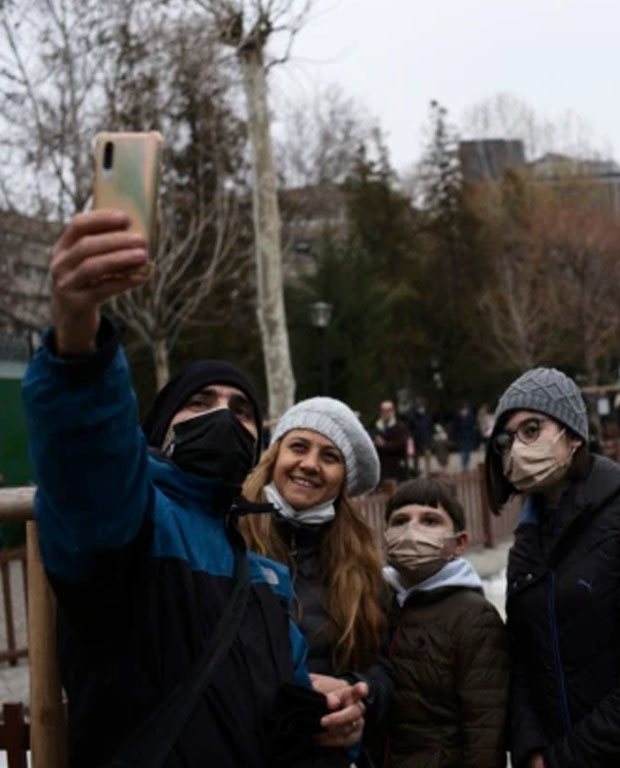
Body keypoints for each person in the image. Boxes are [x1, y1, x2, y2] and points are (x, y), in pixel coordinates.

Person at [21, 210, 363, 764]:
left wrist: (331, 725)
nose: (223, 417)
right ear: (159, 431)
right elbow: (87, 454)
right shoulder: (133, 525)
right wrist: (77, 333)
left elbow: (278, 721)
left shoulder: (267, 580)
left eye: (242, 410)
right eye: (200, 403)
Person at [485, 367, 620, 768]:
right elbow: (522, 663)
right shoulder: (526, 547)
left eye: (532, 429)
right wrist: (531, 748)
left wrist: (563, 760)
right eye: (506, 439)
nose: (517, 448)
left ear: (572, 436)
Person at [241, 397, 394, 761]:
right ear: (275, 456)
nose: (309, 465)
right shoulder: (227, 535)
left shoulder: (362, 568)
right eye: (298, 447)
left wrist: (357, 692)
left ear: (344, 480)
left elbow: (388, 667)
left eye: (329, 456)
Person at [381, 477, 509, 767]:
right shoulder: (375, 603)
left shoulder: (474, 618)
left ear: (459, 543)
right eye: (400, 520)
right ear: (386, 535)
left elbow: (485, 731)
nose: (411, 530)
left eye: (430, 521)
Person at [373, 400, 411, 484]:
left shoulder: (400, 426)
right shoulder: (377, 426)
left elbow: (401, 445)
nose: (386, 413)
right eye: (383, 410)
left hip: (396, 467)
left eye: (389, 410)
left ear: (393, 411)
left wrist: (384, 445)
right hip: (382, 467)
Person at [450, 402, 479, 471]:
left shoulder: (470, 414)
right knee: (463, 451)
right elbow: (455, 426)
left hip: (469, 435)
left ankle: (466, 464)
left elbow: (473, 424)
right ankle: (464, 464)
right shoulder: (457, 415)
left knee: (467, 451)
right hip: (461, 435)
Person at [408, 400, 434, 475]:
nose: (421, 408)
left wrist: (430, 437)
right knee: (416, 458)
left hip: (426, 439)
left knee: (427, 455)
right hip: (416, 440)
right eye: (419, 406)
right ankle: (416, 472)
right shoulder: (412, 417)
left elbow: (431, 427)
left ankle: (428, 471)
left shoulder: (427, 417)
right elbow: (409, 428)